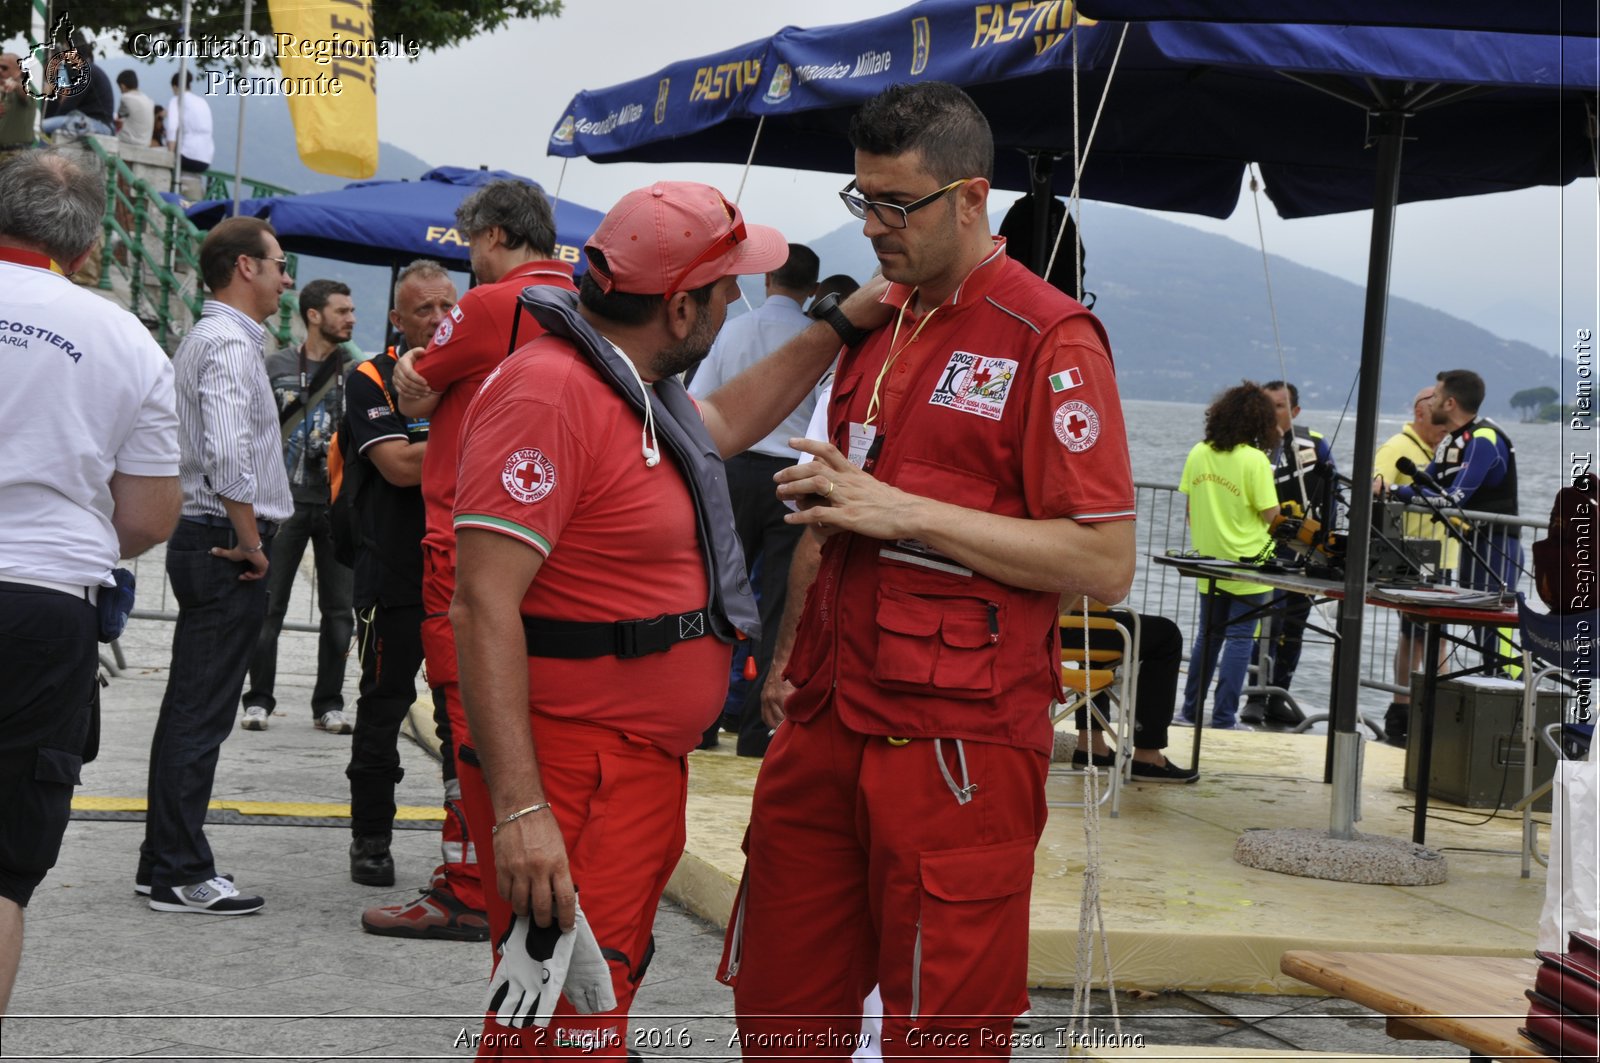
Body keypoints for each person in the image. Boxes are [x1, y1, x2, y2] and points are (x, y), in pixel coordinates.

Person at [725, 83, 1136, 1057]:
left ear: (969, 198)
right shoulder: (881, 323)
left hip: (953, 744)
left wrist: (903, 510)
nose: (873, 226)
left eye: (895, 204)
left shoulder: (1049, 339)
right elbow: (835, 509)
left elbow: (1104, 558)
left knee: (941, 1027)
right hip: (824, 718)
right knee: (780, 1008)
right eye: (860, 199)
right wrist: (785, 661)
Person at [449, 178, 874, 1057]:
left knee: (588, 1008)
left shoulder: (634, 388)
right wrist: (522, 809)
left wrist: (840, 325)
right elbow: (480, 601)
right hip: (574, 774)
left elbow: (720, 421)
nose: (736, 303)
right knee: (559, 1029)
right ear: (680, 310)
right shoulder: (554, 394)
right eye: (726, 290)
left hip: (621, 770)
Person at [0, 148, 181, 1015]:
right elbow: (148, 515)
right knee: (0, 872)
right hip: (42, 608)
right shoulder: (124, 339)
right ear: (90, 243)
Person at [382, 179, 578, 944]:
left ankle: (468, 883)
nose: (470, 262)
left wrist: (422, 373)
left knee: (467, 715)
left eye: (470, 246)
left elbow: (416, 386)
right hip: (552, 540)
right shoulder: (580, 303)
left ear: (495, 235)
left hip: (465, 534)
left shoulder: (498, 303)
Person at [139, 216, 294, 916]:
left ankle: (163, 860)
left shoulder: (212, 338)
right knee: (201, 713)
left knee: (190, 708)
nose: (285, 278)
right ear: (244, 267)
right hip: (222, 537)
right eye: (278, 264)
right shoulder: (229, 346)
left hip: (205, 531)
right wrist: (252, 540)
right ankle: (177, 868)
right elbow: (231, 455)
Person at [339, 260, 455, 894]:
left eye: (446, 307)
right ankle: (371, 839)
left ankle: (464, 847)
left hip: (465, 576)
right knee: (383, 707)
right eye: (423, 311)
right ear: (397, 319)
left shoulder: (475, 373)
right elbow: (399, 467)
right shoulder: (371, 376)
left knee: (463, 719)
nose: (437, 321)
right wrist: (473, 438)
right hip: (392, 574)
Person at [688, 242, 821, 757]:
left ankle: (702, 719)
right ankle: (756, 730)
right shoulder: (817, 336)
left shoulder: (733, 329)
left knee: (717, 589)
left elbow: (700, 401)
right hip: (791, 470)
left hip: (734, 467)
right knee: (779, 601)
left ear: (768, 281)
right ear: (811, 290)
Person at [240, 280, 357, 733]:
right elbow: (253, 431)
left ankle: (329, 703)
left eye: (351, 310)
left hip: (336, 506)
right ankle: (258, 700)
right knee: (268, 606)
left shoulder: (359, 369)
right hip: (280, 503)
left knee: (339, 612)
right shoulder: (276, 367)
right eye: (342, 311)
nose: (350, 318)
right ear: (313, 315)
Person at [1390, 368, 1521, 669]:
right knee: (1480, 636)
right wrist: (1389, 488)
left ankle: (1515, 701)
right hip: (1473, 544)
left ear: (1450, 403)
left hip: (1497, 548)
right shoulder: (1451, 441)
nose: (1430, 402)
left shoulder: (1484, 438)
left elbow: (1452, 499)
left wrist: (1398, 491)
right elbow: (1422, 485)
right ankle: (1492, 694)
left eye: (1435, 396)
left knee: (1498, 641)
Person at [1177, 382, 1281, 731]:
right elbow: (1273, 517)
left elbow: (1191, 510)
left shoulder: (1198, 452)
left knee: (1208, 636)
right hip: (1249, 561)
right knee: (1239, 639)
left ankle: (1189, 711)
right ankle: (1224, 717)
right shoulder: (1255, 460)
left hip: (1209, 561)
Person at [1241, 380, 1338, 728]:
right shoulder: (1247, 447)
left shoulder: (1314, 445)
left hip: (1305, 551)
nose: (1272, 413)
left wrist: (1326, 548)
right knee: (1267, 622)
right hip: (1262, 551)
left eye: (1280, 406)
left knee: (1294, 626)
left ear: (1294, 411)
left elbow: (1332, 494)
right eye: (1267, 405)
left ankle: (1281, 692)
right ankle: (1255, 694)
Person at [1371, 385, 1452, 744]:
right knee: (1418, 640)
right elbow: (1376, 486)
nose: (1446, 427)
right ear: (1421, 412)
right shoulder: (1397, 447)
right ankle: (1405, 709)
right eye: (1440, 417)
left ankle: (1428, 711)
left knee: (1436, 639)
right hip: (1412, 561)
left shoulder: (1443, 450)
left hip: (1444, 560)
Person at [1068, 610, 1198, 782]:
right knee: (1166, 634)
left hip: (1041, 623)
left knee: (1097, 624)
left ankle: (1092, 748)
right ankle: (1148, 755)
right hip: (1059, 622)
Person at [39, 31, 113, 140]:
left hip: (96, 124)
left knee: (40, 127)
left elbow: (68, 105)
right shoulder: (89, 69)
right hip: (92, 122)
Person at [167, 72, 212, 199]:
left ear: (175, 87)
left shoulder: (177, 100)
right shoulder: (202, 102)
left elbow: (171, 128)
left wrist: (170, 155)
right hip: (205, 159)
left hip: (187, 157)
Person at [0, 52, 38, 164]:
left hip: (16, 155)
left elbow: (24, 93)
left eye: (4, 68)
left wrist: (16, 86)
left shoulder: (26, 89)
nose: (0, 71)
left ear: (18, 71)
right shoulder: (3, 90)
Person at [113, 69, 154, 149]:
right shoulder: (148, 100)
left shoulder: (126, 98)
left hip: (130, 142)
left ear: (122, 86)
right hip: (146, 143)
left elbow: (119, 120)